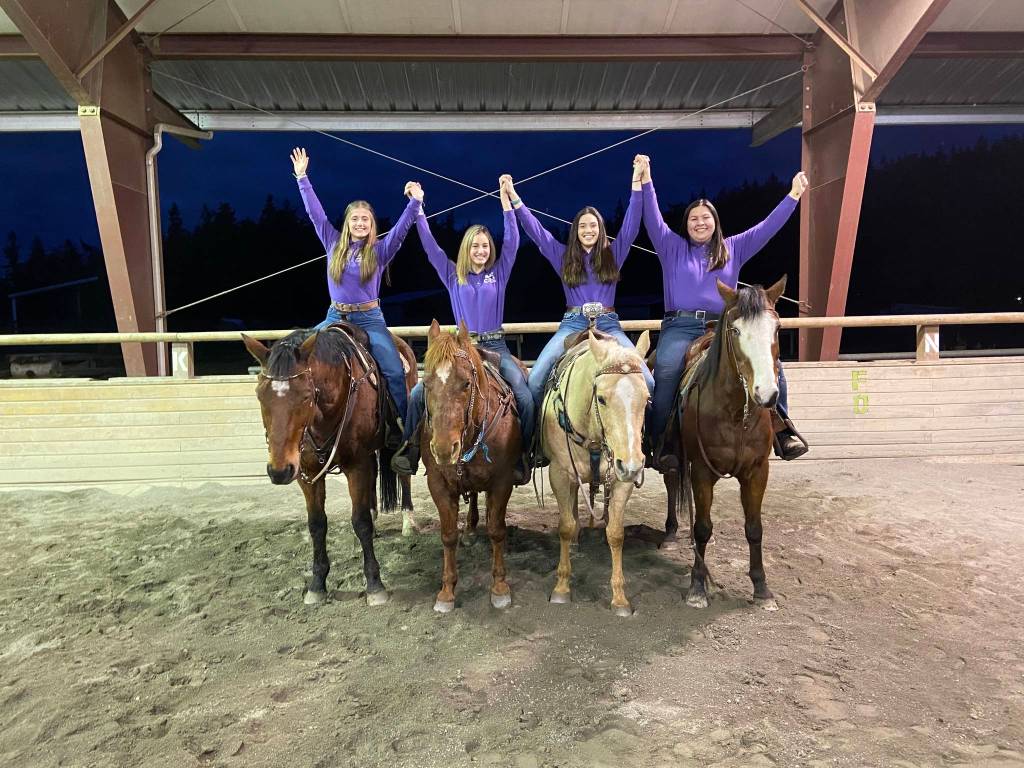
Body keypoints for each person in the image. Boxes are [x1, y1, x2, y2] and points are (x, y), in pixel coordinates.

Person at [638, 154, 809, 468]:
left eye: (706, 218)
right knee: (665, 372)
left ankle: (782, 429)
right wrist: (646, 180)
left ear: (715, 222)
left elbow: (767, 228)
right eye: (693, 218)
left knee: (773, 365)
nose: (700, 223)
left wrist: (793, 196)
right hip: (680, 327)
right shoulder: (670, 246)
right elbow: (651, 217)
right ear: (686, 224)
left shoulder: (733, 247)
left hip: (723, 328)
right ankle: (661, 441)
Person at [391, 176, 535, 483]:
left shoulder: (500, 271)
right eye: (475, 246)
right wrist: (418, 207)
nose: (480, 251)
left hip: (496, 347)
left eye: (485, 246)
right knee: (418, 393)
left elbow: (513, 241)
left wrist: (506, 203)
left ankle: (526, 453)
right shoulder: (452, 273)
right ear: (466, 249)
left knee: (524, 394)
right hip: (461, 349)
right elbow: (429, 245)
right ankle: (410, 448)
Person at [503, 159, 656, 429]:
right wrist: (514, 197)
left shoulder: (614, 254)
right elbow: (536, 231)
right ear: (576, 230)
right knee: (537, 378)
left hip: (609, 325)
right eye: (583, 226)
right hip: (572, 325)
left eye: (593, 226)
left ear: (600, 229)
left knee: (648, 379)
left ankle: (648, 442)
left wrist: (636, 180)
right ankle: (533, 443)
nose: (588, 230)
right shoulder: (562, 256)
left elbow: (632, 222)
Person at [290, 147, 421, 440]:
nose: (360, 223)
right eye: (355, 219)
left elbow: (400, 231)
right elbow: (315, 213)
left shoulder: (380, 250)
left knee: (393, 370)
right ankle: (300, 430)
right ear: (347, 222)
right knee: (298, 356)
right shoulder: (333, 243)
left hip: (369, 320)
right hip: (335, 316)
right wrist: (302, 178)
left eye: (365, 219)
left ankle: (403, 432)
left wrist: (414, 204)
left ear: (372, 224)